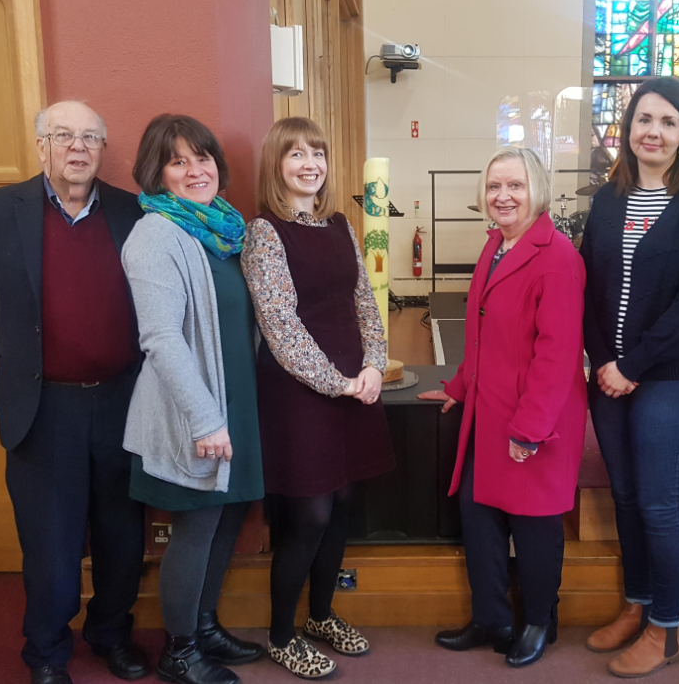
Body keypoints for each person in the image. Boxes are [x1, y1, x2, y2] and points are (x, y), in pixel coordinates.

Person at [0, 101, 149, 684]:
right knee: (50, 542)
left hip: (122, 402)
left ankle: (110, 633)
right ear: (40, 145)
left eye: (91, 137)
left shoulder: (132, 211)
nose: (78, 147)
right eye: (63, 135)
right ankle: (46, 652)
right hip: (43, 408)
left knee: (122, 534)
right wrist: (27, 358)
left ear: (102, 148)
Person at [579, 78, 679, 678]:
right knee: (623, 496)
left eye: (668, 122)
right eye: (644, 119)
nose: (654, 132)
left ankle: (666, 630)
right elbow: (589, 286)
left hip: (671, 374)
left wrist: (631, 367)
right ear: (627, 129)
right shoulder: (607, 198)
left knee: (659, 505)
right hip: (610, 375)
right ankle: (637, 604)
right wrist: (600, 362)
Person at [241, 116, 395, 679]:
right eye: (296, 154)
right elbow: (281, 327)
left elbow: (364, 301)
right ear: (276, 166)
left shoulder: (339, 224)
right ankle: (282, 634)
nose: (310, 164)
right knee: (310, 512)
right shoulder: (264, 232)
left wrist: (375, 363)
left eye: (318, 153)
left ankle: (322, 615)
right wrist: (339, 381)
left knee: (344, 505)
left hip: (354, 381)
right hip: (298, 388)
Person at [422, 146, 586, 668]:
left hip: (532, 420)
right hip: (487, 415)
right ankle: (491, 617)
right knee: (481, 519)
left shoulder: (558, 258)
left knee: (534, 526)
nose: (503, 196)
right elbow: (480, 336)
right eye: (494, 186)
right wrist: (458, 388)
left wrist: (530, 429)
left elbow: (556, 355)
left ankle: (539, 620)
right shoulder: (496, 245)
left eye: (514, 185)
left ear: (536, 189)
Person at [122, 115, 265, 684]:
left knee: (228, 519)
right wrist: (206, 419)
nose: (195, 169)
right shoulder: (156, 235)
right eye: (178, 160)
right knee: (197, 527)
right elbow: (160, 338)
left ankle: (204, 627)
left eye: (202, 157)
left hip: (238, 403)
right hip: (194, 413)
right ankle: (179, 652)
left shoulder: (224, 230)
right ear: (157, 173)